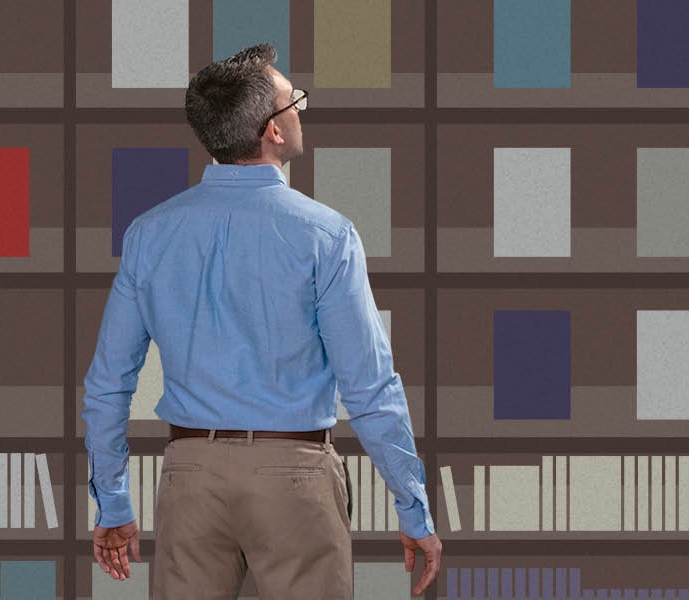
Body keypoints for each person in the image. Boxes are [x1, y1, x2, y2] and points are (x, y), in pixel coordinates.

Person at [81, 43, 441, 598]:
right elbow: (370, 386)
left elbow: (108, 383)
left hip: (189, 476)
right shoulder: (327, 235)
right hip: (294, 475)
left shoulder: (149, 233)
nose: (300, 110)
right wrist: (413, 508)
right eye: (294, 100)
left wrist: (113, 500)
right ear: (272, 131)